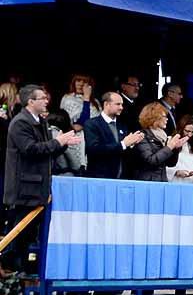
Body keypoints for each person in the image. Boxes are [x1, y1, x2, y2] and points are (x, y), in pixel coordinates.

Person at [4, 85, 80, 257]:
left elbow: (48, 151)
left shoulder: (41, 121)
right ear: (31, 102)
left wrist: (63, 144)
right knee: (19, 230)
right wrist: (58, 142)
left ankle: (23, 267)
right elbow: (30, 149)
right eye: (42, 98)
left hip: (38, 185)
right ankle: (10, 268)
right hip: (24, 187)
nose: (47, 101)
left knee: (30, 233)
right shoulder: (20, 122)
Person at [84, 92, 143, 179]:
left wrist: (132, 144)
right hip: (100, 179)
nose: (121, 108)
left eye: (122, 104)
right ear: (106, 104)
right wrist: (123, 144)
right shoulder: (92, 124)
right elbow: (94, 149)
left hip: (120, 178)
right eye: (118, 104)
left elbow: (124, 152)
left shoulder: (122, 125)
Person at [128, 102, 185, 182]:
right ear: (154, 118)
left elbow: (171, 163)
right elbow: (151, 161)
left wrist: (175, 149)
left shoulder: (163, 136)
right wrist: (169, 147)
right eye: (164, 116)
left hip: (161, 180)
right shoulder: (142, 136)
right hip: (146, 182)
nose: (167, 119)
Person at [165, 116, 193, 184]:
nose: (190, 135)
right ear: (181, 128)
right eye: (187, 131)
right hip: (174, 182)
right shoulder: (170, 140)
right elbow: (164, 163)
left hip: (191, 183)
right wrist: (176, 172)